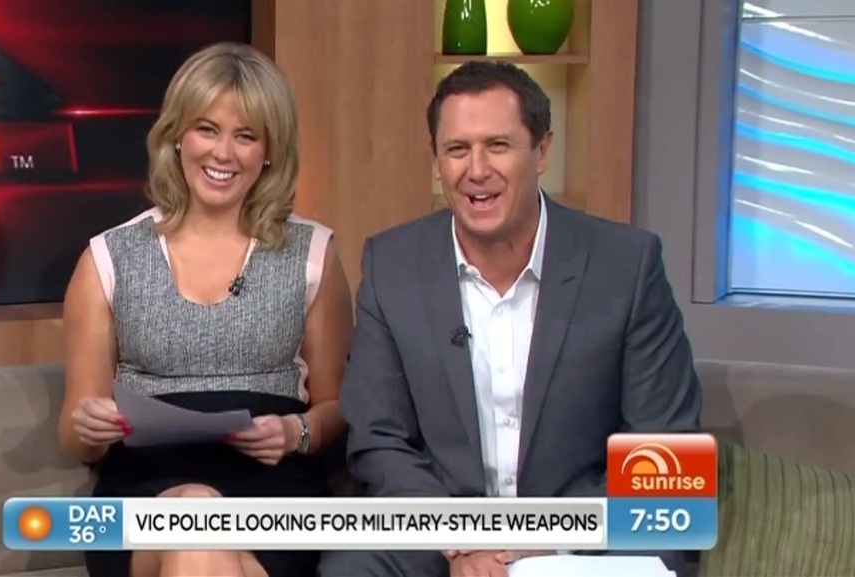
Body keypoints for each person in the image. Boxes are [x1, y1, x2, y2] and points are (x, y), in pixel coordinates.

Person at [319, 61, 702, 577]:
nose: (477, 170)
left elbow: (665, 444)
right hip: (440, 531)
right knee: (353, 565)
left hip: (580, 538)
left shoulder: (626, 267)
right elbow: (379, 437)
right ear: (436, 163)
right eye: (457, 149)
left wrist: (540, 541)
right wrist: (459, 541)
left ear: (542, 151)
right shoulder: (393, 266)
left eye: (497, 146)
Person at [59, 42, 353, 577]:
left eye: (246, 136)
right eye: (207, 129)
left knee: (198, 530)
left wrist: (297, 432)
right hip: (142, 493)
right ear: (177, 136)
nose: (223, 153)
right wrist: (90, 426)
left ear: (269, 151)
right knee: (194, 510)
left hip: (275, 493)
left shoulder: (313, 254)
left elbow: (339, 407)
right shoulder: (108, 258)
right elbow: (76, 437)